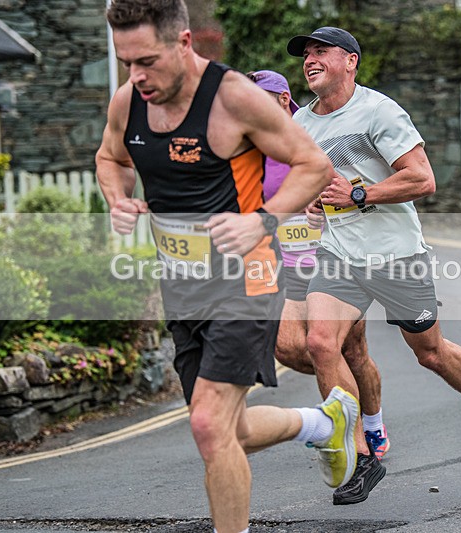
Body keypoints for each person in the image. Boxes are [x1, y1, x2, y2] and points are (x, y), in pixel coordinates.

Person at [95, 3, 359, 532]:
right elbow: (112, 158)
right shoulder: (130, 100)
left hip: (248, 279)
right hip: (183, 286)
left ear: (184, 42)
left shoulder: (233, 98)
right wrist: (117, 197)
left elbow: (313, 166)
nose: (137, 75)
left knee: (208, 425)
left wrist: (263, 219)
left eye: (147, 60)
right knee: (224, 430)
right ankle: (322, 422)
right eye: (127, 62)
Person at [286, 26, 461, 505]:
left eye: (320, 51)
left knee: (429, 352)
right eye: (305, 54)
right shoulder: (302, 124)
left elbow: (422, 179)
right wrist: (314, 204)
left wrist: (360, 193)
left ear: (350, 61)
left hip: (396, 253)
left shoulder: (379, 110)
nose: (310, 59)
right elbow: (314, 185)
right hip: (339, 253)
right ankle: (362, 456)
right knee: (321, 343)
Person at [248, 69, 391, 463]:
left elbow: (352, 187)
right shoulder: (248, 149)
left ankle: (368, 428)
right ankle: (342, 409)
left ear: (280, 99)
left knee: (352, 350)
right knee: (290, 348)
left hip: (333, 257)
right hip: (283, 264)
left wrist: (326, 208)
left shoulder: (312, 133)